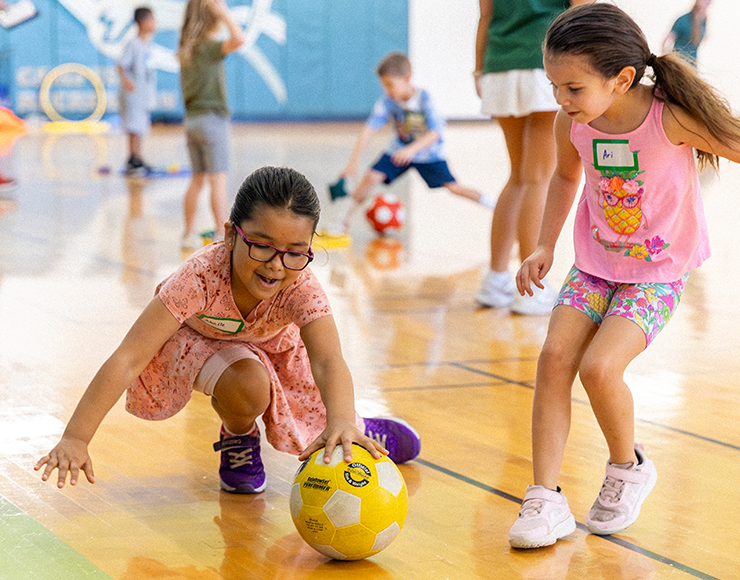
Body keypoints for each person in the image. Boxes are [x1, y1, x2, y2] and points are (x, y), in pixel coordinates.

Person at [508, 3, 740, 549]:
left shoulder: (671, 117)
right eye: (554, 86)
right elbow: (565, 180)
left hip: (658, 273)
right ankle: (544, 497)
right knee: (552, 359)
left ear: (620, 80)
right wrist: (544, 244)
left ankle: (627, 467)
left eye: (572, 88)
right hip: (595, 263)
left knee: (599, 367)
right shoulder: (570, 123)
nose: (560, 101)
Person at [34, 166, 421, 494]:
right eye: (262, 245)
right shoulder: (199, 277)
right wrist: (76, 438)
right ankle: (239, 434)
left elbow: (327, 360)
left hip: (269, 344)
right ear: (231, 235)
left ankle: (355, 427)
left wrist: (339, 421)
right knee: (249, 384)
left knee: (326, 411)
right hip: (200, 343)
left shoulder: (302, 286)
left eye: (294, 251)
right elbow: (128, 358)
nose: (276, 265)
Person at [474, 0, 590, 316]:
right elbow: (582, 14)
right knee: (538, 177)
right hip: (545, 65)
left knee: (519, 176)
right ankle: (531, 289)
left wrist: (479, 68)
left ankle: (495, 280)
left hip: (498, 63)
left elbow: (486, 15)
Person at [326, 52, 494, 235]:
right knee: (370, 178)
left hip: (428, 155)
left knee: (454, 187)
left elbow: (435, 133)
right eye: (384, 86)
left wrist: (411, 150)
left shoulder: (424, 100)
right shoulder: (388, 103)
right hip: (398, 151)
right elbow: (368, 130)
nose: (387, 90)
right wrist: (353, 163)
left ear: (407, 78)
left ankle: (494, 205)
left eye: (390, 85)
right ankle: (341, 222)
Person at [178, 0, 244, 250]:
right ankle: (221, 234)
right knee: (218, 182)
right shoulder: (209, 48)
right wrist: (226, 14)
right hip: (212, 121)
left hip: (192, 121)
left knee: (197, 180)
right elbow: (239, 39)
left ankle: (188, 233)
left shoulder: (186, 48)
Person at [118, 6, 157, 177]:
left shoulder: (146, 45)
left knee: (140, 127)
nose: (155, 23)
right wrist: (127, 81)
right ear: (143, 22)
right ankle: (132, 158)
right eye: (152, 19)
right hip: (134, 95)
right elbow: (121, 65)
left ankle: (138, 157)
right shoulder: (133, 44)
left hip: (143, 94)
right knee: (134, 127)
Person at [662, 0, 711, 68]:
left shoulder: (703, 22)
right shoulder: (683, 20)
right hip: (678, 65)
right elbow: (666, 40)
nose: (707, 2)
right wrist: (664, 59)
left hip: (692, 66)